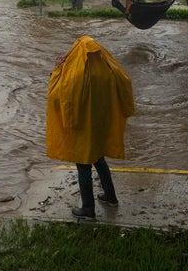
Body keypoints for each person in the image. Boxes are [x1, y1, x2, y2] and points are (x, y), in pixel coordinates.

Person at [45, 36, 136, 220]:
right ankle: (110, 197)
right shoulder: (108, 70)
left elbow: (56, 97)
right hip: (99, 126)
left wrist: (58, 69)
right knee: (99, 160)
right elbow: (125, 82)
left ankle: (88, 208)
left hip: (81, 128)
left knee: (83, 165)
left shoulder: (74, 75)